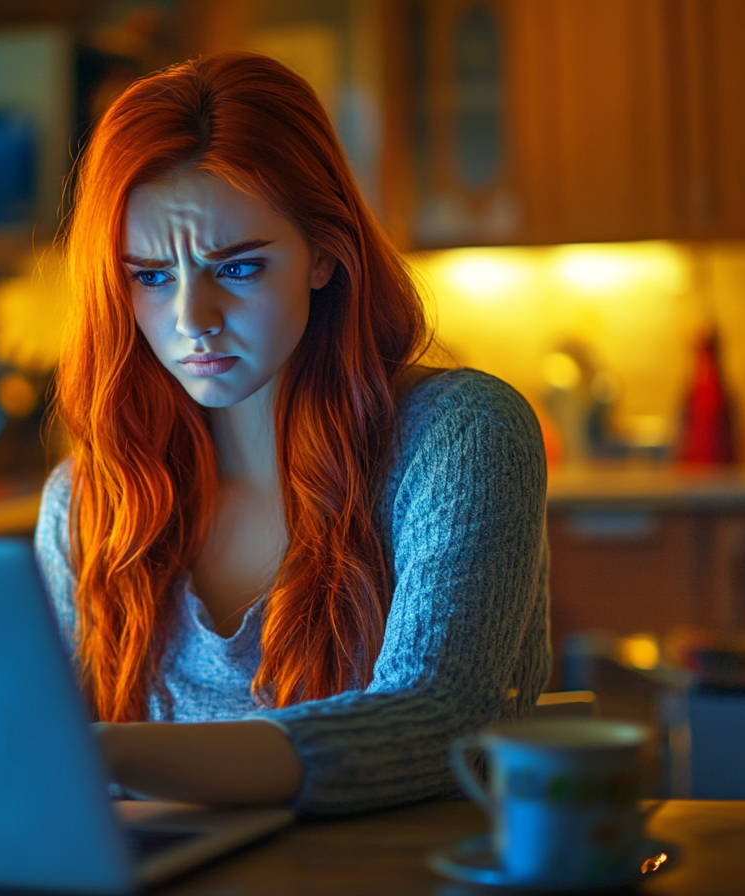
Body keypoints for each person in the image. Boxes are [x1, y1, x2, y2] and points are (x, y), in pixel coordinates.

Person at [35, 51, 549, 816]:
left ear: (324, 255)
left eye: (238, 269)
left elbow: (437, 719)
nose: (191, 321)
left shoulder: (459, 437)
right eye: (149, 276)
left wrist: (93, 752)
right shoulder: (85, 500)